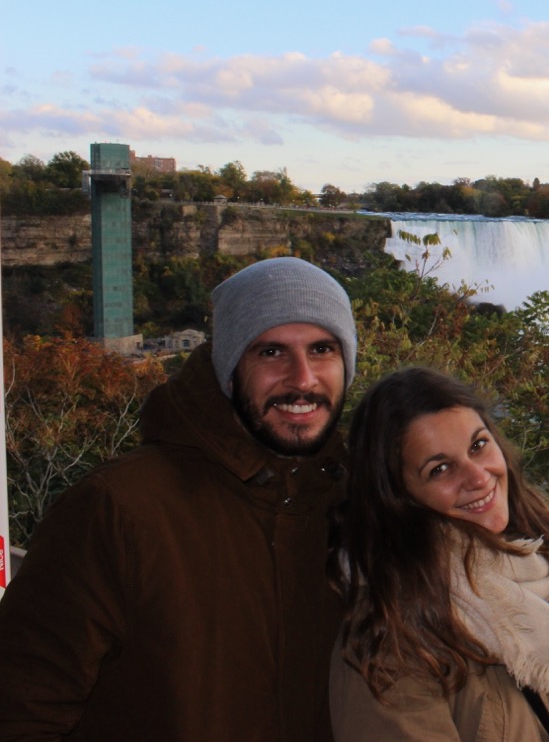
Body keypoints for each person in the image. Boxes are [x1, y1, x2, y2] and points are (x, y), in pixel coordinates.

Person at [0, 256, 358, 741]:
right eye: (271, 352)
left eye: (322, 349)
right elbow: (24, 709)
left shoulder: (361, 507)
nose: (302, 378)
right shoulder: (117, 511)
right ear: (229, 372)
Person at [329, 367, 549, 742]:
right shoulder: (391, 635)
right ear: (398, 498)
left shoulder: (527, 563)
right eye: (440, 469)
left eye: (478, 445)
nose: (478, 477)